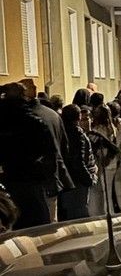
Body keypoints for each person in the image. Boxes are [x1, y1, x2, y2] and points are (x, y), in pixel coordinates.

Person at [0, 83, 58, 228]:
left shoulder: (3, 122)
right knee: (38, 224)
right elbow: (49, 151)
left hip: (8, 179)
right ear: (23, 97)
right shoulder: (34, 121)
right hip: (32, 179)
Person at [18, 78, 72, 221]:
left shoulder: (26, 118)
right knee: (52, 220)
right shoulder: (53, 115)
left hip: (33, 180)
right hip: (53, 177)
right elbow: (64, 146)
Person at [57, 104, 96, 220]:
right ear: (78, 117)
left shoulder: (60, 131)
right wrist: (88, 179)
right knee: (78, 213)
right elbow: (78, 160)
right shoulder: (76, 133)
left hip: (65, 178)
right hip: (77, 181)